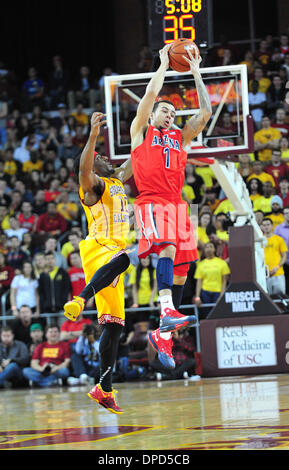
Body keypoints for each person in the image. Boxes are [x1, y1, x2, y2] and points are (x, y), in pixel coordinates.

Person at [130, 44, 212, 369]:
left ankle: (163, 334)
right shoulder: (141, 132)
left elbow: (205, 113)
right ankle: (166, 313)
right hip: (152, 200)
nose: (169, 114)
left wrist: (195, 71)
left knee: (182, 273)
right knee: (164, 249)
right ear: (152, 116)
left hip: (177, 206)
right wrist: (163, 65)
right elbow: (151, 95)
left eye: (173, 112)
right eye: (165, 111)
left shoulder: (180, 137)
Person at [63, 112, 132, 414]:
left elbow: (138, 156)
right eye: (97, 155)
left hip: (112, 258)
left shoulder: (115, 180)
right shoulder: (92, 186)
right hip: (98, 247)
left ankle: (104, 389)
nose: (103, 155)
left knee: (115, 326)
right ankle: (80, 298)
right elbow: (85, 166)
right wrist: (92, 134)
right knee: (125, 258)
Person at [194, 242, 230, 318]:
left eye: (211, 247)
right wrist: (197, 297)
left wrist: (221, 295)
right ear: (204, 250)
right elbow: (199, 281)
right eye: (207, 247)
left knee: (218, 315)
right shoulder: (201, 264)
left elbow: (224, 281)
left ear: (214, 249)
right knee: (207, 315)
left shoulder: (222, 263)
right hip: (205, 293)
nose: (209, 249)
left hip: (217, 292)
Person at [38, 251, 70, 315]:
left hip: (62, 308)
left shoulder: (62, 272)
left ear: (55, 259)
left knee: (62, 325)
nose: (50, 261)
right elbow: (41, 292)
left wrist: (65, 302)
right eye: (47, 259)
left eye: (52, 258)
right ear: (45, 261)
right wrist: (44, 304)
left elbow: (67, 289)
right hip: (47, 309)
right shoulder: (42, 275)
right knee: (49, 325)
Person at [261, 218, 287, 295]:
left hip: (278, 273)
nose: (266, 227)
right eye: (264, 225)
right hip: (264, 274)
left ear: (272, 226)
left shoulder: (279, 239)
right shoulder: (259, 240)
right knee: (266, 298)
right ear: (261, 227)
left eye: (268, 225)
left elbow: (284, 256)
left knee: (281, 297)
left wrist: (277, 267)